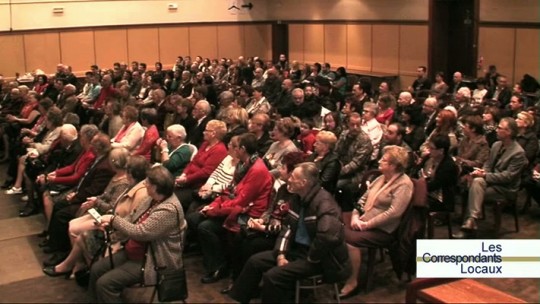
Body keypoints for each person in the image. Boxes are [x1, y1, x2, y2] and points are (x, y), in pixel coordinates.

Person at [229, 162, 351, 303]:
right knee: (254, 261)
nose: (289, 179)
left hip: (321, 258)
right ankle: (241, 299)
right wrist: (281, 254)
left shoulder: (325, 203)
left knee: (273, 276)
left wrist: (310, 258)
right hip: (298, 250)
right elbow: (287, 229)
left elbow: (328, 237)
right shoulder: (297, 199)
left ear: (303, 182)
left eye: (293, 177)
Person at [88, 165, 185, 303]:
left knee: (105, 284)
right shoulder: (152, 199)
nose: (144, 184)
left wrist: (113, 220)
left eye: (147, 182)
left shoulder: (169, 209)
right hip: (136, 251)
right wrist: (111, 225)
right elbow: (132, 218)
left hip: (154, 260)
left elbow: (141, 232)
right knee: (96, 269)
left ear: (155, 187)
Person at [187, 133, 273, 284]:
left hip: (248, 213)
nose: (232, 149)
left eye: (236, 146)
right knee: (194, 218)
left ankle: (218, 267)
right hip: (234, 207)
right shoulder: (242, 164)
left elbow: (242, 201)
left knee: (205, 227)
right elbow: (229, 191)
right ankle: (217, 259)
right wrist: (213, 205)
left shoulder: (257, 169)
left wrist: (214, 210)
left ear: (243, 149)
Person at [339, 145, 413, 298]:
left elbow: (394, 212)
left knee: (348, 240)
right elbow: (363, 199)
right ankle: (341, 271)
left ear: (393, 166)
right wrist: (354, 216)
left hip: (383, 230)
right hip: (364, 222)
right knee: (335, 231)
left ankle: (353, 281)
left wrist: (367, 224)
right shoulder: (381, 178)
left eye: (383, 160)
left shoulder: (404, 184)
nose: (379, 161)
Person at [455, 117, 527, 238]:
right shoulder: (496, 145)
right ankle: (472, 220)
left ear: (508, 132)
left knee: (474, 186)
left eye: (499, 128)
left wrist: (485, 175)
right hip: (489, 182)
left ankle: (471, 222)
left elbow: (508, 177)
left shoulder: (518, 153)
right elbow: (488, 164)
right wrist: (482, 171)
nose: (496, 130)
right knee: (475, 181)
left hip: (505, 189)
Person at [420, 135, 459, 212]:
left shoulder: (448, 166)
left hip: (439, 200)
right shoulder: (428, 157)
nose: (429, 150)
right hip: (425, 192)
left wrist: (417, 186)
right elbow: (417, 170)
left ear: (441, 151)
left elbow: (435, 185)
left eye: (432, 148)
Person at [306, 131, 341, 195]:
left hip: (320, 194)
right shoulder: (314, 155)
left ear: (325, 146)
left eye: (317, 143)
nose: (314, 145)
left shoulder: (333, 163)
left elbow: (322, 183)